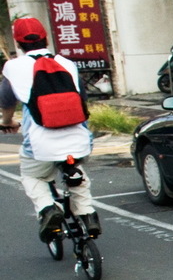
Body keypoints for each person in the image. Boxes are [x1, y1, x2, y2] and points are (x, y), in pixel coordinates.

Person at [0, 17, 99, 243]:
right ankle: (87, 214)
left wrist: (7, 121)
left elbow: (6, 101)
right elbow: (82, 99)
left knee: (32, 174)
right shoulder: (67, 64)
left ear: (18, 43)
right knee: (76, 171)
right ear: (46, 38)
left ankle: (47, 209)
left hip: (40, 144)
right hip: (80, 140)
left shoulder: (13, 67)